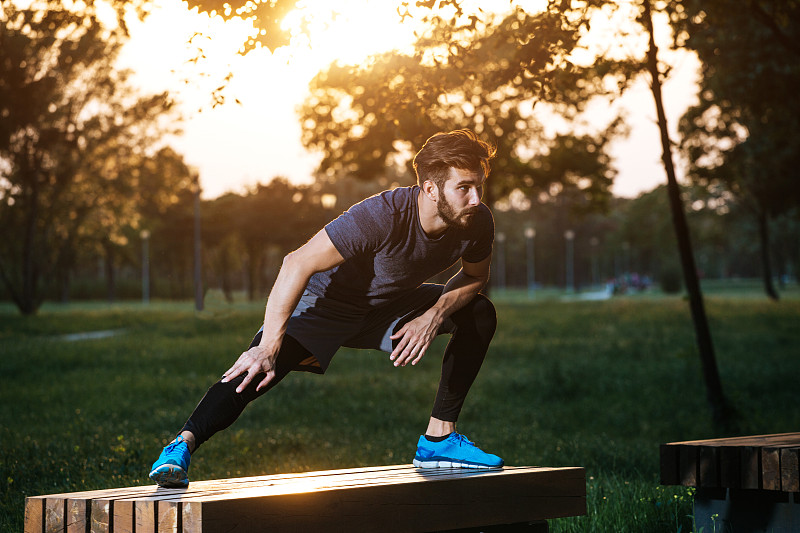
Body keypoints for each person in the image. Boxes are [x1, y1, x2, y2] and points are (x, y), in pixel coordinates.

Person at [149, 129, 503, 488]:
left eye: (479, 185)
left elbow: (475, 276)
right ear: (430, 188)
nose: (475, 198)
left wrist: (434, 314)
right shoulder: (380, 216)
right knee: (258, 368)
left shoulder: (477, 222)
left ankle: (438, 441)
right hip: (324, 306)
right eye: (464, 188)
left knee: (478, 312)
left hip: (386, 308)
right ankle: (181, 447)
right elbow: (295, 263)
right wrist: (269, 344)